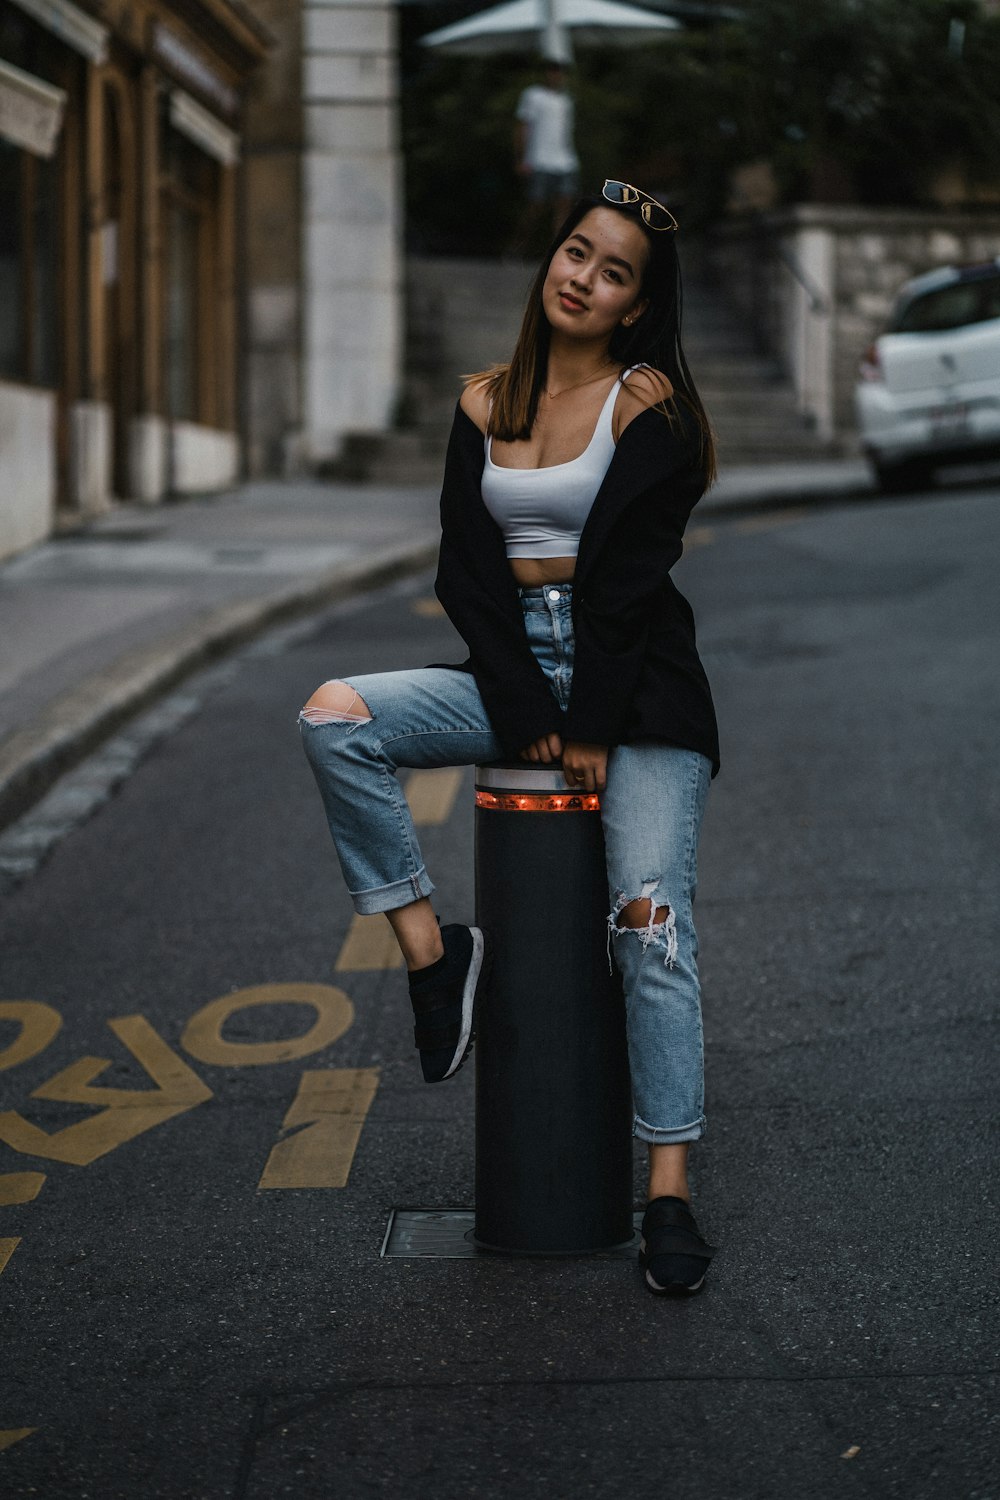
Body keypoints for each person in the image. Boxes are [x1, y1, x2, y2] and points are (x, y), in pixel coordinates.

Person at [299, 181, 720, 1296]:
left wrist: (585, 725)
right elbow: (465, 574)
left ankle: (668, 1186)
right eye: (576, 252)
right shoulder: (484, 402)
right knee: (335, 715)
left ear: (633, 305)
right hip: (516, 672)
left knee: (649, 915)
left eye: (613, 270)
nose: (582, 276)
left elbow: (628, 587)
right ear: (554, 262)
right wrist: (530, 709)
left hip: (637, 689)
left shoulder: (647, 407)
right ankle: (438, 961)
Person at [515, 59, 580, 235]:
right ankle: (518, 246)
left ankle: (555, 251)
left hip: (565, 161)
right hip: (539, 160)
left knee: (564, 207)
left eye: (560, 72)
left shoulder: (567, 99)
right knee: (536, 206)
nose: (557, 75)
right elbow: (523, 126)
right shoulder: (533, 95)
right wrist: (521, 158)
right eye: (553, 71)